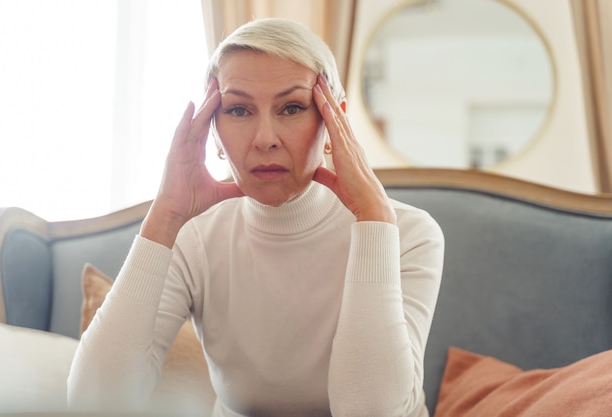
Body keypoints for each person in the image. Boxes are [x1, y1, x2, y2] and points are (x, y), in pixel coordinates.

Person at [67, 17, 444, 417]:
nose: (265, 138)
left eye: (292, 107)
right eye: (240, 110)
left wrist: (373, 219)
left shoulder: (409, 234)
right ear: (213, 131)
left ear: (336, 123)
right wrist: (164, 218)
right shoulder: (194, 236)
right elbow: (93, 404)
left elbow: (370, 411)